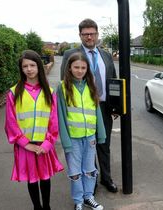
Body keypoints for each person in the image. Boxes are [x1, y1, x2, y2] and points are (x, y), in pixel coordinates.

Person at [61, 18, 118, 193]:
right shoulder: (70, 54)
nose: (89, 37)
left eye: (92, 33)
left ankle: (106, 179)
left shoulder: (106, 55)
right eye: (85, 34)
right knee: (87, 147)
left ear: (97, 34)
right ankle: (90, 182)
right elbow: (65, 82)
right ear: (80, 35)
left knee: (104, 144)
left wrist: (116, 106)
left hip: (103, 108)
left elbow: (113, 82)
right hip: (81, 110)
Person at [4, 50, 64, 210]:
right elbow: (10, 123)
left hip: (44, 145)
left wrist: (47, 143)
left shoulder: (49, 92)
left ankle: (47, 207)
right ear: (21, 69)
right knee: (32, 179)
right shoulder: (14, 93)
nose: (29, 69)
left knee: (45, 178)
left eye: (32, 65)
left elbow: (54, 122)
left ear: (39, 66)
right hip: (25, 146)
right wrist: (25, 143)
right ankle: (37, 207)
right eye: (25, 66)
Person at [57, 52, 106, 210]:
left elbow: (97, 111)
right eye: (76, 67)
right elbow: (61, 116)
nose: (80, 70)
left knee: (90, 170)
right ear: (69, 68)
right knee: (75, 172)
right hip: (73, 138)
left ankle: (88, 197)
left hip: (90, 136)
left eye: (83, 68)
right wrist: (65, 141)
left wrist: (101, 134)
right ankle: (78, 200)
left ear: (87, 69)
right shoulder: (63, 87)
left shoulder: (91, 86)